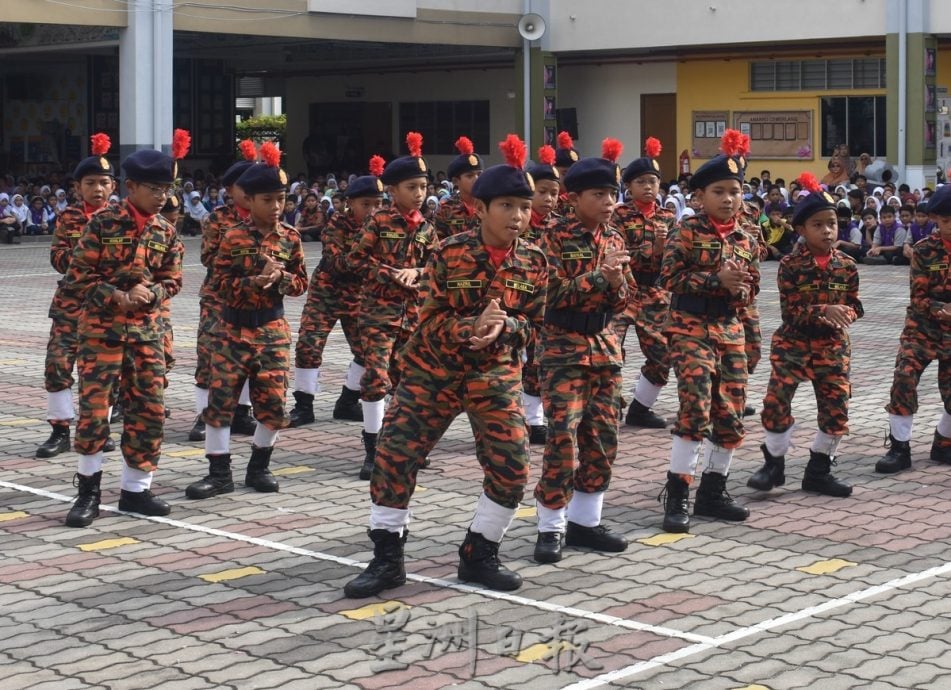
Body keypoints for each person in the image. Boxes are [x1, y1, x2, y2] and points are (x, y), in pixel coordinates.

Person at [343, 135, 548, 598]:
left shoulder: (534, 261)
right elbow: (428, 319)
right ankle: (387, 559)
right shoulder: (449, 252)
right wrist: (469, 328)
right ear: (481, 209)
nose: (518, 217)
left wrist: (505, 330)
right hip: (430, 373)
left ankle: (480, 552)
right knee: (394, 458)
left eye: (524, 207)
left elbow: (537, 326)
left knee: (512, 467)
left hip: (493, 377)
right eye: (508, 207)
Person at [62, 131, 188, 527]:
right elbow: (76, 277)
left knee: (148, 410)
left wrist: (151, 292)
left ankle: (137, 489)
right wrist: (114, 294)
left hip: (148, 334)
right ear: (131, 187)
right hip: (103, 332)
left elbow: (173, 278)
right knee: (95, 412)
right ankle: (88, 492)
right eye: (155, 189)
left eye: (168, 189)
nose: (163, 197)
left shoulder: (164, 230)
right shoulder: (101, 224)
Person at [186, 142, 308, 500]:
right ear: (249, 201)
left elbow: (301, 284)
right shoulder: (232, 236)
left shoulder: (291, 238)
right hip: (231, 328)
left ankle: (259, 466)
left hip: (272, 330)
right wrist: (254, 280)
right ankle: (219, 472)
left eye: (281, 200)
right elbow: (219, 283)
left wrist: (281, 279)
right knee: (220, 403)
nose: (275, 207)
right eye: (267, 200)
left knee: (272, 405)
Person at [532, 138, 634, 564]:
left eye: (613, 194)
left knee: (603, 437)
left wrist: (616, 285)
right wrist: (597, 279)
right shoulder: (552, 239)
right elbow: (547, 297)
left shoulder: (614, 237)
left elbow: (623, 297)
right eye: (599, 195)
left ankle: (586, 523)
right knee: (562, 440)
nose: (609, 202)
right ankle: (550, 528)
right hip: (563, 349)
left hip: (604, 348)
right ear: (573, 199)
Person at [659, 129, 759, 534]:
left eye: (735, 191)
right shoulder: (685, 231)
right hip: (689, 328)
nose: (729, 199)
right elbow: (669, 277)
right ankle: (678, 494)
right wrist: (715, 280)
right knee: (695, 409)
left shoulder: (745, 238)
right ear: (700, 196)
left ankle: (713, 491)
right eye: (719, 191)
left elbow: (751, 287)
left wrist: (743, 292)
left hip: (730, 328)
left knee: (731, 411)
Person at [752, 173, 862, 498]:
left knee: (836, 410)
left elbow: (854, 303)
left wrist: (848, 313)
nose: (827, 230)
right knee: (775, 403)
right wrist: (825, 311)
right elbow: (792, 311)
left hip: (832, 347)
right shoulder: (790, 265)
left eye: (832, 224)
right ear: (800, 229)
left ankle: (819, 471)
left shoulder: (847, 266)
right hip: (793, 345)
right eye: (818, 224)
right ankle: (774, 464)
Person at [348, 132, 438, 479]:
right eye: (411, 187)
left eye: (423, 187)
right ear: (392, 190)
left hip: (413, 316)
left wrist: (418, 271)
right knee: (375, 378)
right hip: (378, 314)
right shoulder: (379, 222)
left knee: (409, 382)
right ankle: (373, 451)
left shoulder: (428, 228)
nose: (419, 193)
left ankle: (403, 445)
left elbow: (439, 267)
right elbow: (355, 262)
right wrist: (390, 273)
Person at [36, 133, 118, 460]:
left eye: (103, 182)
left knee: (102, 373)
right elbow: (57, 256)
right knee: (57, 366)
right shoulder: (69, 217)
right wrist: (82, 259)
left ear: (113, 187)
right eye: (90, 183)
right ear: (78, 187)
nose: (97, 189)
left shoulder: (122, 219)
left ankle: (100, 429)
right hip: (70, 306)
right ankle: (59, 430)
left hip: (107, 308)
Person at [289, 156, 385, 427]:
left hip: (360, 297)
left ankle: (347, 402)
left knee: (366, 352)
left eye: (378, 204)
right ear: (350, 203)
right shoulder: (337, 225)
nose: (372, 210)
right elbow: (338, 263)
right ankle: (303, 405)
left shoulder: (386, 227)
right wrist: (376, 265)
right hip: (326, 295)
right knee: (309, 345)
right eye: (366, 204)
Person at [876, 184, 951, 473]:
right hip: (922, 329)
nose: (949, 226)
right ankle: (899, 448)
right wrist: (942, 309)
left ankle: (943, 443)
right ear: (935, 219)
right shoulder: (924, 251)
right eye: (944, 221)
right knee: (904, 380)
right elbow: (918, 299)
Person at [188, 139, 259, 442]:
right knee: (209, 354)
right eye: (246, 187)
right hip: (220, 297)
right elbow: (210, 257)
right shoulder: (219, 218)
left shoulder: (267, 216)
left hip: (255, 298)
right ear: (230, 191)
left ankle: (241, 413)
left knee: (249, 356)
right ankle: (205, 415)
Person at [613, 137, 675, 429]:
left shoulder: (668, 216)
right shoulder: (619, 215)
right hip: (624, 290)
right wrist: (652, 251)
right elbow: (616, 252)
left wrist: (667, 253)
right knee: (611, 351)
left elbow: (678, 258)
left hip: (656, 292)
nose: (648, 187)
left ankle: (641, 407)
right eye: (641, 181)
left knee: (662, 355)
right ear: (629, 186)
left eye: (653, 181)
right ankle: (609, 406)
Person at [520, 145, 563, 445]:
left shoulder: (561, 226)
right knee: (523, 363)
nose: (548, 199)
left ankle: (536, 418)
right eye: (542, 192)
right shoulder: (516, 222)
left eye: (554, 193)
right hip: (519, 303)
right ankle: (530, 420)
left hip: (550, 304)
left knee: (540, 363)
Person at [433, 136, 482, 240]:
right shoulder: (446, 208)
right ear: (456, 181)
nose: (476, 179)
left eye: (479, 174)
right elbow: (438, 242)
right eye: (469, 176)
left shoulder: (490, 205)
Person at [553, 131, 580, 217]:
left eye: (574, 173)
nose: (570, 178)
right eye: (564, 173)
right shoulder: (548, 201)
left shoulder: (582, 200)